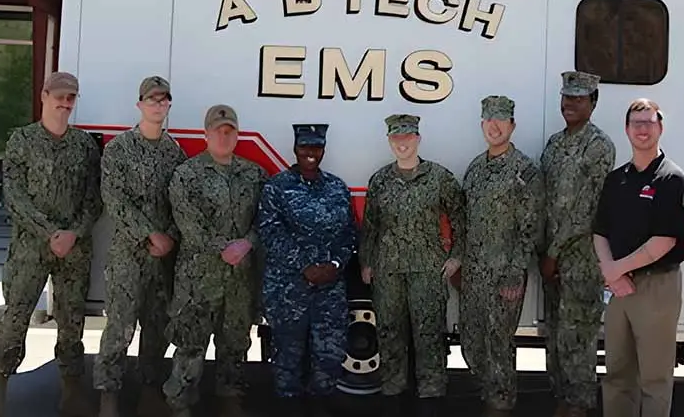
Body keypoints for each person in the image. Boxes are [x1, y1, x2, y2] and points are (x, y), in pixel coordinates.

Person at [0, 71, 104, 417]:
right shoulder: (22, 140)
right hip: (30, 248)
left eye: (71, 98)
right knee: (15, 318)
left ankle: (70, 392)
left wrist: (73, 234)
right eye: (60, 97)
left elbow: (94, 198)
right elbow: (15, 195)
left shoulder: (83, 145)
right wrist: (50, 232)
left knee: (72, 322)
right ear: (44, 95)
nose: (65, 104)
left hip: (75, 249)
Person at [162, 104, 268, 417]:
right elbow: (188, 223)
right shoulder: (187, 175)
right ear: (205, 134)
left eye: (230, 130)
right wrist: (224, 247)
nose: (224, 135)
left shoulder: (254, 174)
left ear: (237, 135)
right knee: (190, 346)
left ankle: (229, 400)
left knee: (235, 345)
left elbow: (266, 220)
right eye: (218, 130)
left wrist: (247, 244)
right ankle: (180, 404)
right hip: (198, 279)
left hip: (239, 279)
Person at [360, 114, 466, 417]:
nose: (402, 143)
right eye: (396, 138)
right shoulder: (380, 180)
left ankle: (431, 397)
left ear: (418, 139)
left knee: (429, 335)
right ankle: (392, 394)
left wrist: (456, 256)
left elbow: (460, 219)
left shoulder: (439, 177)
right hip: (388, 271)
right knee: (390, 333)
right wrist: (366, 262)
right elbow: (370, 227)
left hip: (427, 271)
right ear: (389, 141)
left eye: (407, 137)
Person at [94, 76, 187, 417]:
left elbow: (182, 204)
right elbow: (114, 200)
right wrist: (150, 234)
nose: (158, 105)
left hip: (162, 257)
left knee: (156, 326)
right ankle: (108, 396)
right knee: (119, 325)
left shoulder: (174, 152)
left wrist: (170, 237)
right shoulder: (119, 149)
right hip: (128, 254)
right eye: (152, 99)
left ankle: (149, 390)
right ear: (140, 104)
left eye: (164, 100)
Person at [592, 99, 684, 417]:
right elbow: (600, 231)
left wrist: (615, 270)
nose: (643, 129)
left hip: (656, 287)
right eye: (637, 123)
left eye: (649, 122)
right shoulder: (616, 179)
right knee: (617, 375)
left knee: (654, 378)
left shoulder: (671, 179)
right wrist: (611, 273)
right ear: (626, 129)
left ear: (660, 128)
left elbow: (664, 241)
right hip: (619, 289)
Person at [258, 123, 358, 417]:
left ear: (323, 150)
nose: (310, 153)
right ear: (295, 149)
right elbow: (270, 233)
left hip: (329, 290)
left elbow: (350, 233)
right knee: (288, 361)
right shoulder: (277, 187)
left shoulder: (337, 188)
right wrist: (306, 267)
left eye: (316, 147)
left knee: (329, 358)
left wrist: (336, 265)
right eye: (305, 147)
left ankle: (320, 406)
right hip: (288, 290)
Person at [458, 95, 544, 417]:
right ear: (482, 124)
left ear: (512, 125)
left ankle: (501, 406)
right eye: (488, 120)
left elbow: (531, 228)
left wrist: (515, 275)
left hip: (505, 275)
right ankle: (489, 394)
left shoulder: (524, 171)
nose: (494, 126)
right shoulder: (476, 169)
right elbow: (465, 222)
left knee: (499, 346)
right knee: (470, 343)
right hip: (475, 274)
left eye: (501, 120)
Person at [538, 71, 616, 417]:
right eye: (566, 97)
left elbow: (587, 208)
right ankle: (561, 400)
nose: (570, 104)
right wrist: (542, 249)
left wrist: (553, 253)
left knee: (578, 340)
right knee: (554, 337)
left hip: (580, 260)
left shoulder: (599, 146)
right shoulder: (555, 144)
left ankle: (579, 406)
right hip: (551, 259)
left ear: (593, 103)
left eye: (579, 98)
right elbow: (543, 199)